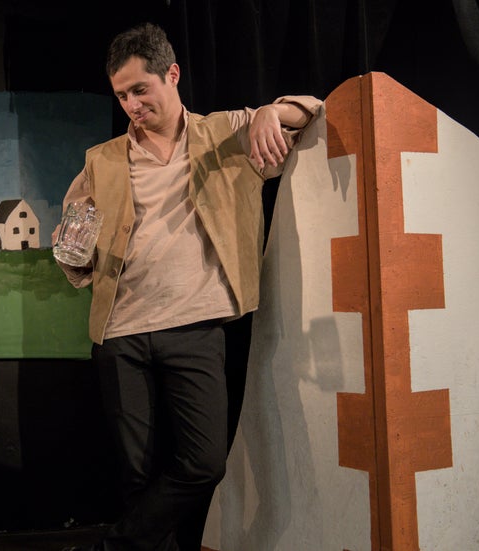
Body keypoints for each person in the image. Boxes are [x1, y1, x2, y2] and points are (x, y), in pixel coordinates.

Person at [54, 22, 321, 551]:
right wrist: (71, 250)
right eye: (121, 95)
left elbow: (311, 109)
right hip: (121, 332)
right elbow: (73, 245)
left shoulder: (226, 133)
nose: (131, 105)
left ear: (172, 74)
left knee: (203, 463)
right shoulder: (101, 159)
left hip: (194, 328)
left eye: (140, 89)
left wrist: (270, 112)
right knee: (137, 476)